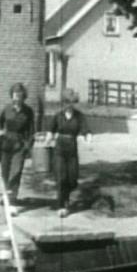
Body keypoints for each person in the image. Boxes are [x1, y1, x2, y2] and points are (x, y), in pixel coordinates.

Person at [46, 89, 92, 218]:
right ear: (63, 102)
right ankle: (62, 205)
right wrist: (46, 142)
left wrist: (88, 138)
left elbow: (86, 130)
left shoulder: (79, 116)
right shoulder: (58, 116)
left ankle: (66, 196)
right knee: (61, 177)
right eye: (66, 102)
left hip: (72, 149)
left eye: (71, 102)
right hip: (59, 149)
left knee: (72, 179)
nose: (69, 104)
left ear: (74, 102)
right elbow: (51, 131)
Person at [0, 82, 34, 216]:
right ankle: (6, 196)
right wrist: (0, 131)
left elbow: (31, 130)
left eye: (19, 94)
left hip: (20, 144)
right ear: (11, 96)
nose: (17, 97)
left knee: (16, 172)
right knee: (5, 172)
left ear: (24, 96)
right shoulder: (7, 109)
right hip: (6, 143)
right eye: (15, 94)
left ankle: (12, 202)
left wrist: (28, 146)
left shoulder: (28, 111)